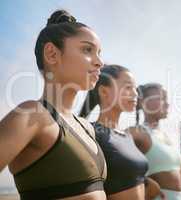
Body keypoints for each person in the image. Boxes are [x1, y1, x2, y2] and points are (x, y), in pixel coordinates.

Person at [0, 10, 107, 200]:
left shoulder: (86, 127)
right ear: (52, 54)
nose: (100, 62)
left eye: (99, 53)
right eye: (87, 50)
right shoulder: (31, 115)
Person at [79, 65, 162, 200]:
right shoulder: (91, 132)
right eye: (128, 87)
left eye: (135, 89)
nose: (135, 94)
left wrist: (146, 182)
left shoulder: (126, 136)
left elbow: (122, 173)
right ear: (104, 92)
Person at [127, 83, 181, 200]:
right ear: (143, 103)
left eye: (166, 99)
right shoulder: (136, 133)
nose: (167, 104)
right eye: (161, 98)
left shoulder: (166, 136)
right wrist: (145, 182)